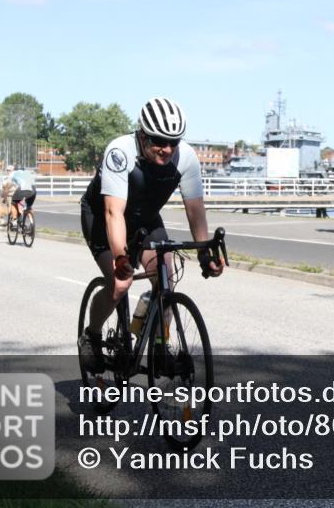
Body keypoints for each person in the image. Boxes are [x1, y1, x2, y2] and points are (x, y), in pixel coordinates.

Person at [78, 97, 224, 373]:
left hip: (144, 218)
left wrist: (205, 252)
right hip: (102, 217)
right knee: (120, 285)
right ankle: (92, 336)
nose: (167, 149)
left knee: (165, 275)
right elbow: (113, 213)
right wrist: (121, 258)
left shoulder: (187, 158)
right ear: (142, 135)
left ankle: (159, 345)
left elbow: (195, 208)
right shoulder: (120, 152)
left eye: (174, 142)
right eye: (159, 140)